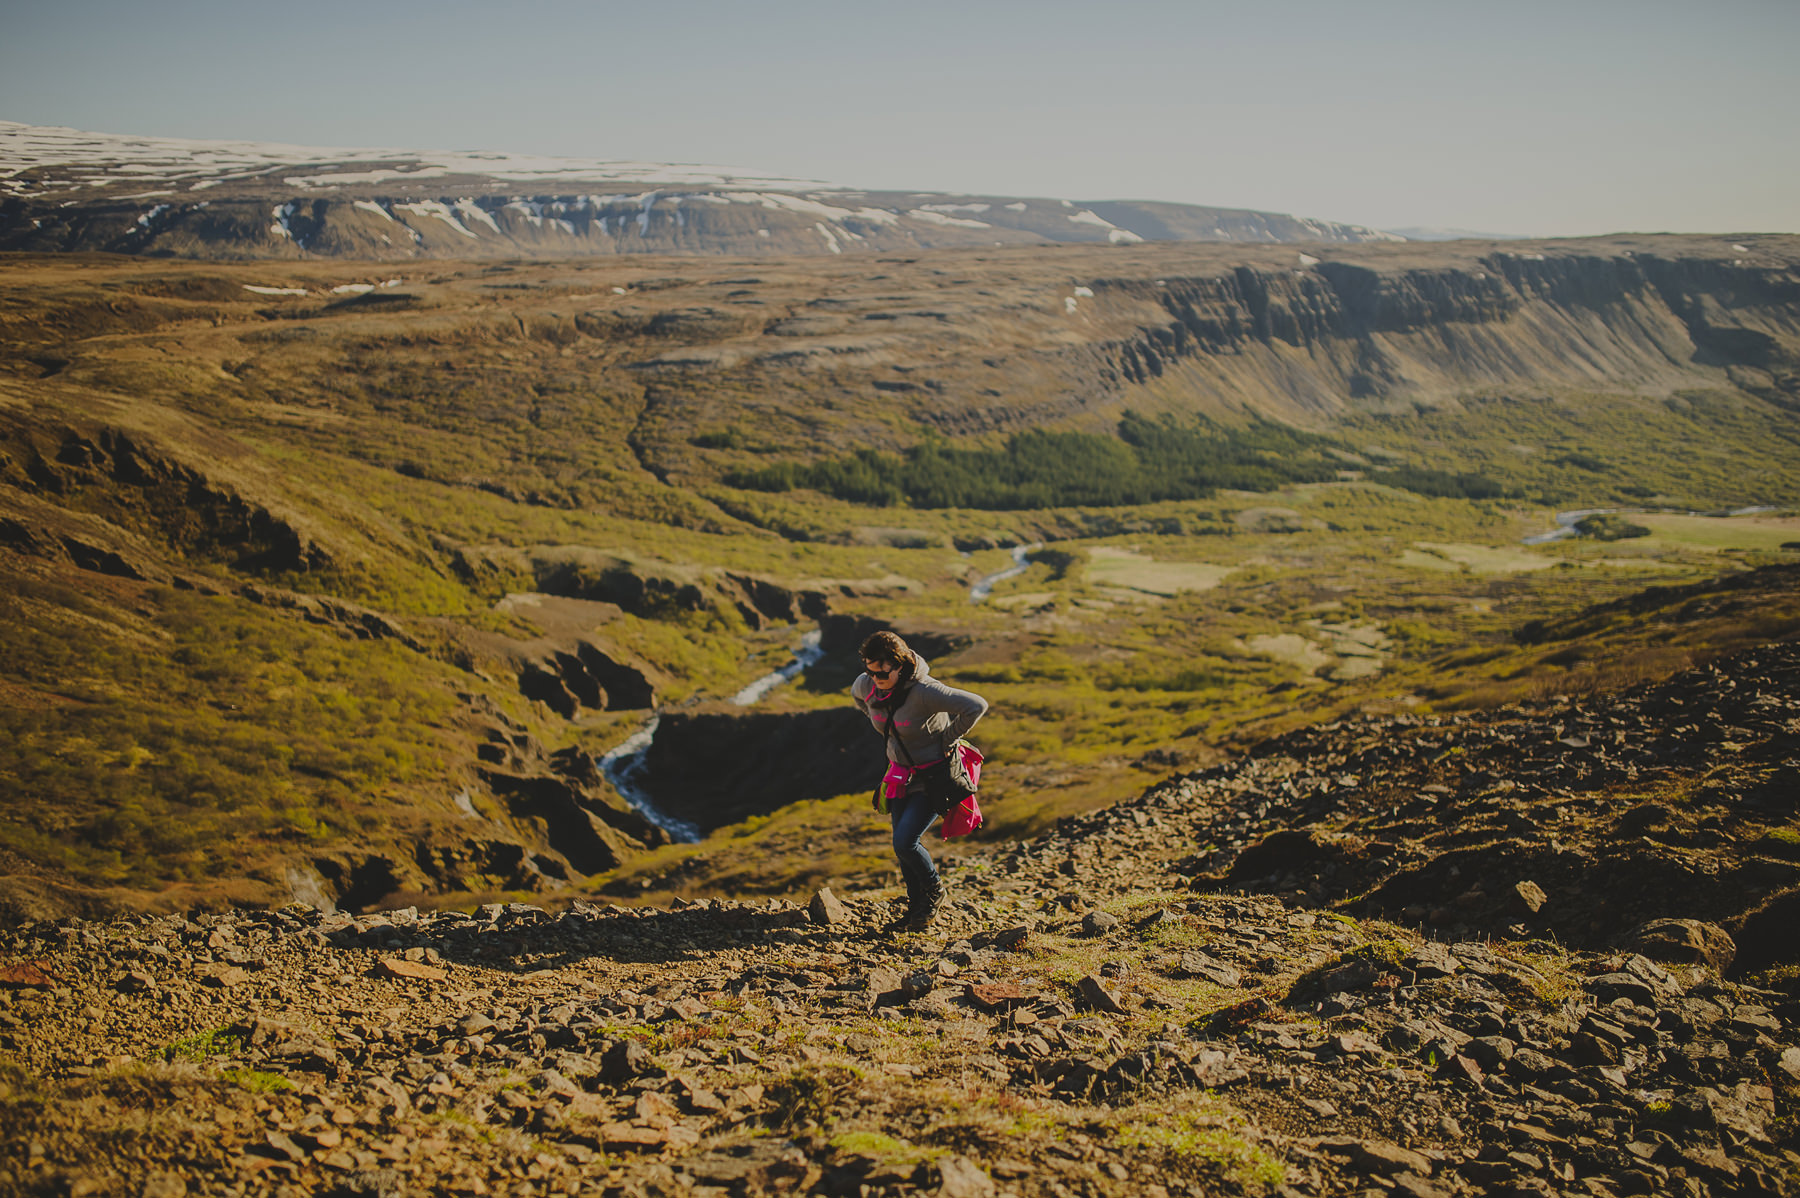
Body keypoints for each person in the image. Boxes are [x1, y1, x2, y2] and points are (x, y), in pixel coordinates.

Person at [851, 630, 988, 933]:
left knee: (905, 841)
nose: (875, 678)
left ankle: (935, 891)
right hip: (900, 775)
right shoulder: (866, 685)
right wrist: (882, 726)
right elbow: (859, 696)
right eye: (870, 671)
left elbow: (976, 705)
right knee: (901, 846)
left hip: (933, 776)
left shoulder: (925, 691)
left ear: (900, 665)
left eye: (882, 672)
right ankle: (917, 911)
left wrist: (947, 739)